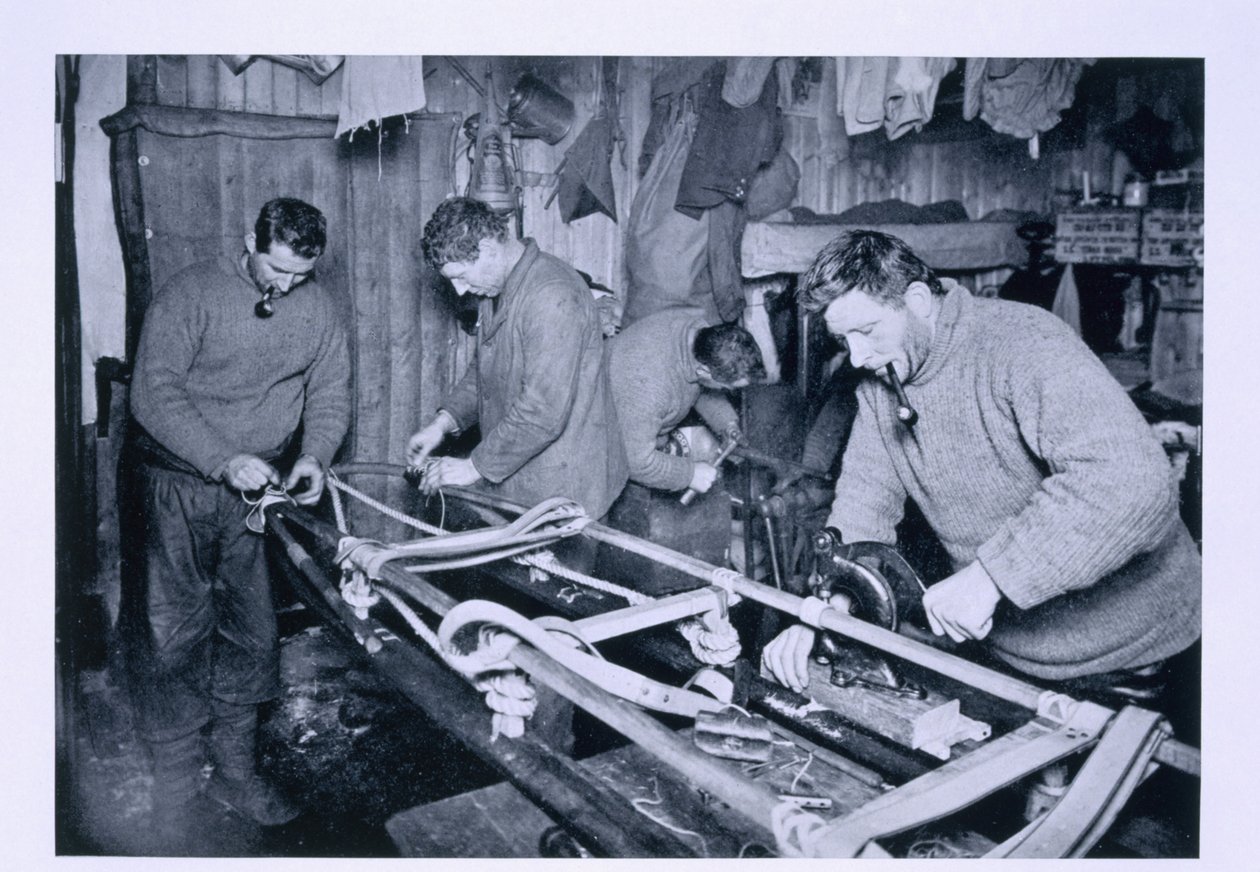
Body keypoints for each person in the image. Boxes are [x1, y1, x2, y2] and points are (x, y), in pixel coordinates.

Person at [761, 230, 1201, 739]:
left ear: (918, 301)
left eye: (867, 331)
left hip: (1137, 658)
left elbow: (1131, 480)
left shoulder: (1022, 343)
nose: (857, 357)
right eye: (844, 341)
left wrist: (992, 577)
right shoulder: (881, 384)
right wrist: (825, 613)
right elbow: (863, 511)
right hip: (1014, 657)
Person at [127, 197, 351, 845]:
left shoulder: (315, 307)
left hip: (257, 497)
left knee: (252, 633)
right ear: (247, 240)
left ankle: (235, 771)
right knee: (173, 635)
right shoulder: (191, 293)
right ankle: (174, 790)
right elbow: (154, 391)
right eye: (275, 269)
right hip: (178, 484)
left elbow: (330, 389)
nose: (286, 286)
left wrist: (313, 456)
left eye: (300, 275)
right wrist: (223, 459)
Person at [407, 197, 628, 522]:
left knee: (556, 573)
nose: (459, 291)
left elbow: (542, 412)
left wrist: (473, 466)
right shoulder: (497, 287)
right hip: (522, 475)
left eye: (462, 276)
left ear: (488, 248)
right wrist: (441, 425)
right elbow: (484, 370)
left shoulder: (552, 296)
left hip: (565, 486)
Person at [607, 307, 766, 495]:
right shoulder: (650, 386)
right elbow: (633, 461)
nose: (725, 391)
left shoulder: (697, 332)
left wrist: (726, 423)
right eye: (726, 388)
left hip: (635, 425)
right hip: (606, 443)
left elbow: (698, 386)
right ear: (704, 372)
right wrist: (689, 475)